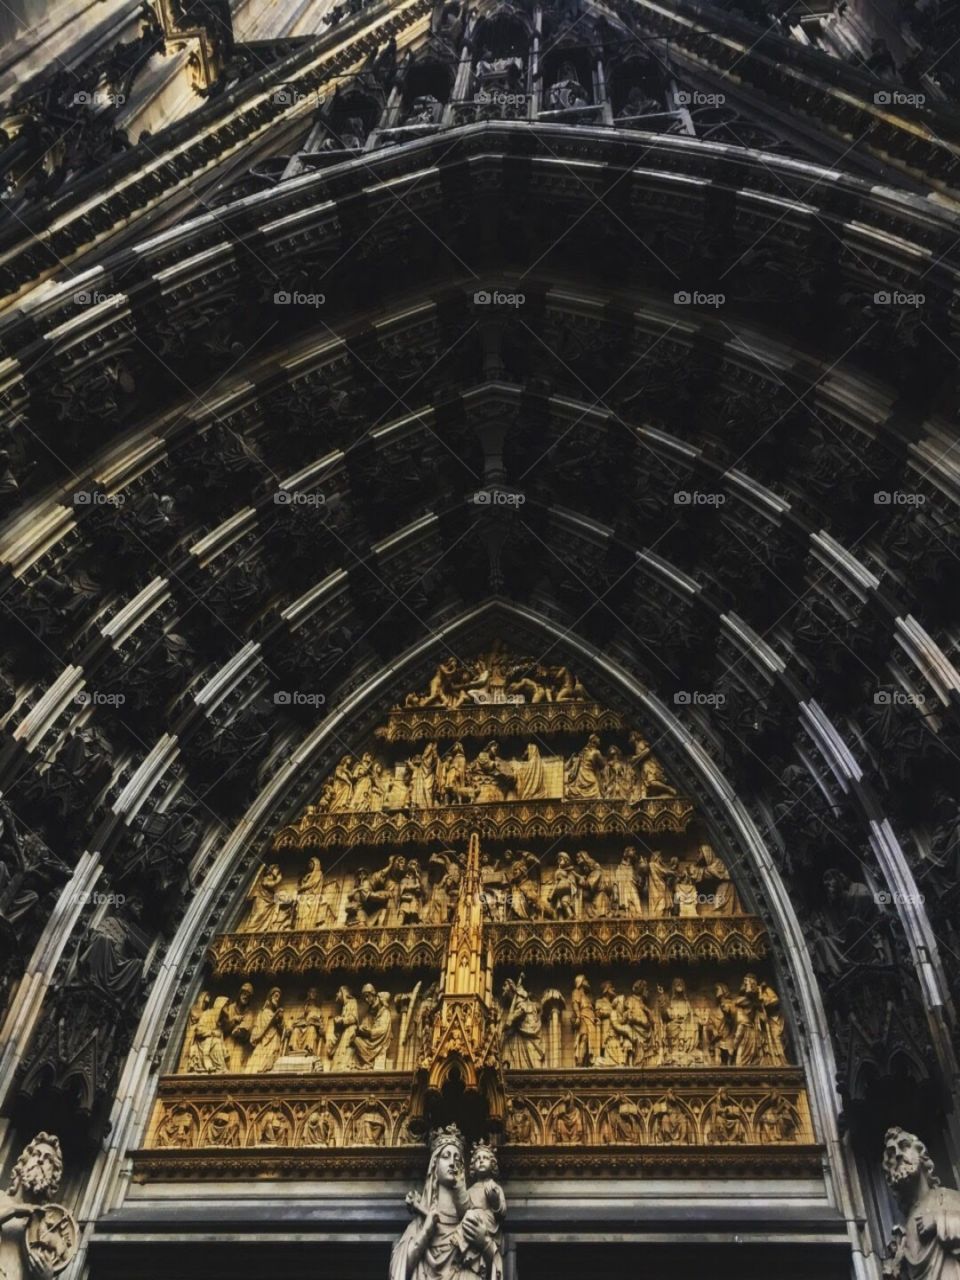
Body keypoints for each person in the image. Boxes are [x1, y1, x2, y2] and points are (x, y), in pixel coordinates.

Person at [390, 1126, 504, 1280]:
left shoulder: (473, 1222)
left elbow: (494, 1271)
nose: (452, 1163)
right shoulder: (419, 1225)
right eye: (446, 1156)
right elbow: (399, 1269)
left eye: (457, 1158)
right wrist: (425, 1232)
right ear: (434, 1165)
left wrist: (484, 1243)